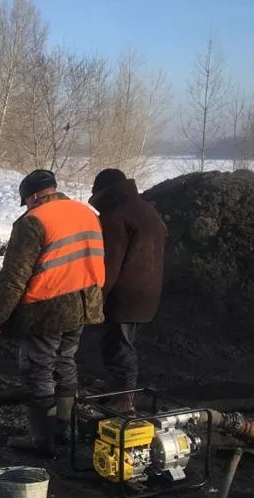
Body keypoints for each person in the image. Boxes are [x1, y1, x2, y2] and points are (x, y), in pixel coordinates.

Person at [0, 169, 105, 456]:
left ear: (34, 195)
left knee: (38, 370)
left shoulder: (33, 221)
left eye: (26, 200)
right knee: (65, 362)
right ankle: (64, 429)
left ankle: (42, 440)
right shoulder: (85, 213)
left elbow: (14, 277)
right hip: (84, 302)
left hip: (46, 307)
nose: (26, 206)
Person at [88, 168, 168, 414]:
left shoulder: (115, 216)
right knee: (124, 344)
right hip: (146, 293)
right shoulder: (146, 210)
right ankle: (119, 391)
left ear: (104, 192)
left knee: (118, 347)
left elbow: (108, 264)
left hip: (124, 296)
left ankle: (124, 399)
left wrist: (96, 299)